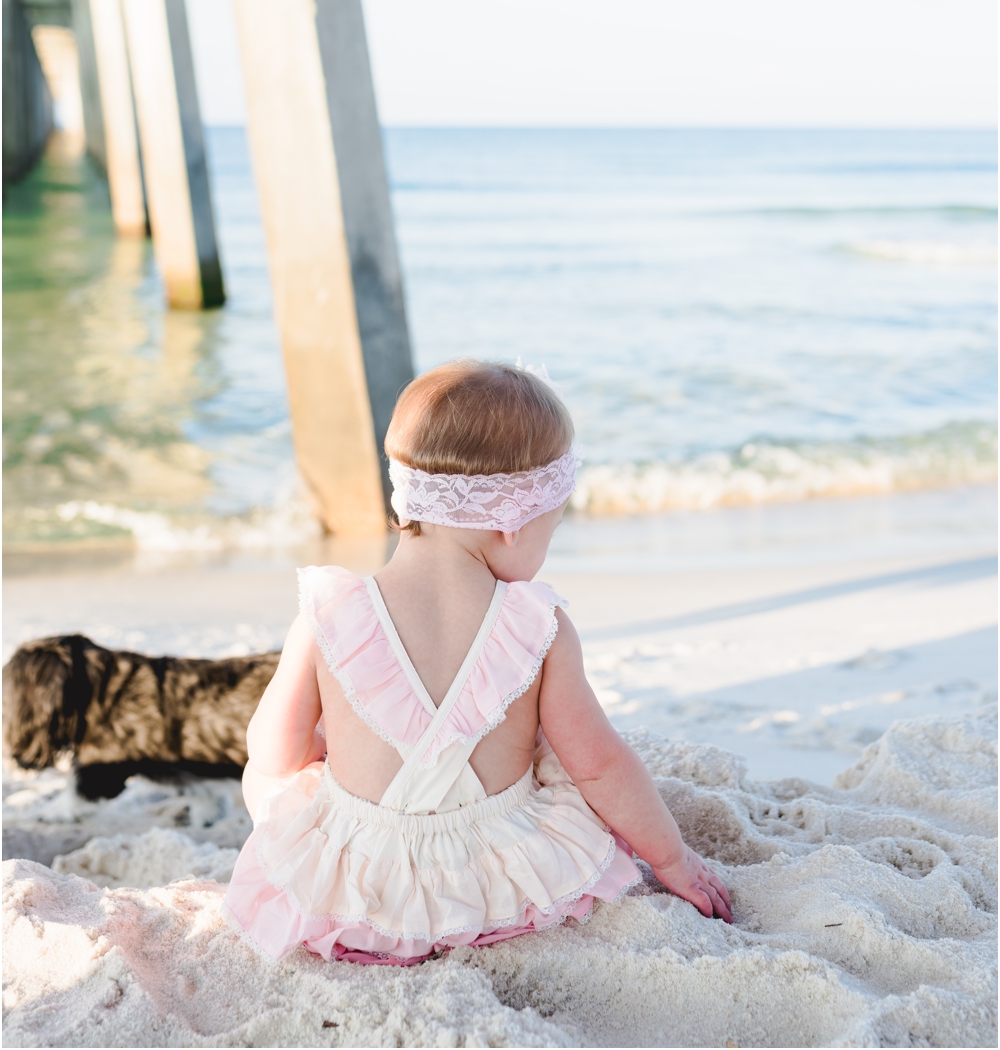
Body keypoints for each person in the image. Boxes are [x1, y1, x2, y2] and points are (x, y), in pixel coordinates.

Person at [226, 360, 732, 964]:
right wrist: (671, 858)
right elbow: (600, 764)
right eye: (553, 528)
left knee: (274, 775)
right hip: (497, 884)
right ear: (514, 525)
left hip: (357, 893)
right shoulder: (538, 625)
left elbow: (274, 752)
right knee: (558, 754)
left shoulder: (329, 612)